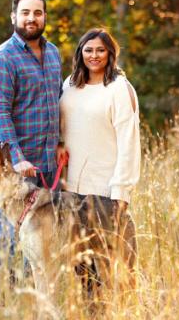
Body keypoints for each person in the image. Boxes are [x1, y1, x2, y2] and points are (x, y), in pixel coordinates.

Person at [0, 0, 62, 299]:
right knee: (8, 242)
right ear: (14, 16)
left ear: (45, 17)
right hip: (15, 171)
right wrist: (16, 158)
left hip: (48, 168)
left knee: (39, 242)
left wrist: (60, 144)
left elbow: (56, 103)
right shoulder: (3, 58)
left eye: (38, 13)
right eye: (25, 13)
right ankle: (0, 305)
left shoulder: (54, 53)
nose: (32, 18)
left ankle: (31, 305)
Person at [59, 28, 141, 231]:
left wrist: (121, 193)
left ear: (110, 54)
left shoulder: (119, 88)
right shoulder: (69, 84)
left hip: (103, 192)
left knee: (104, 260)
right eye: (88, 50)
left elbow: (128, 143)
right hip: (66, 189)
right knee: (74, 260)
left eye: (100, 50)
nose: (94, 56)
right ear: (80, 53)